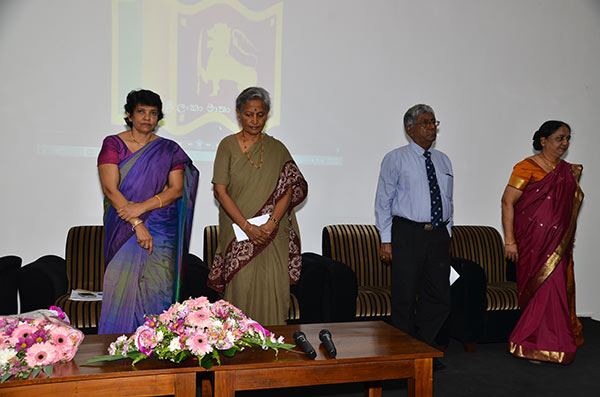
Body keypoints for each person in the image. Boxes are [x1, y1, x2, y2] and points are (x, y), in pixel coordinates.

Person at [97, 89, 199, 334]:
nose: (147, 118)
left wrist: (141, 208)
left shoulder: (169, 149)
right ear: (129, 115)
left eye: (153, 113)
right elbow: (111, 190)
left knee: (158, 288)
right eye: (141, 112)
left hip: (162, 229)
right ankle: (118, 354)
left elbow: (175, 190)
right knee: (119, 288)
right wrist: (137, 222)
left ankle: (156, 352)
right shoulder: (113, 144)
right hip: (124, 228)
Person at [207, 87, 308, 326]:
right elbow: (220, 191)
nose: (254, 120)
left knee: (272, 289)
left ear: (267, 115)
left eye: (260, 115)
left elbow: (290, 188)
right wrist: (246, 227)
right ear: (238, 114)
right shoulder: (227, 146)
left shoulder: (277, 148)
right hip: (238, 233)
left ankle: (271, 353)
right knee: (240, 290)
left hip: (272, 236)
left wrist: (271, 223)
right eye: (249, 114)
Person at [501, 120, 583, 364]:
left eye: (568, 138)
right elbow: (507, 202)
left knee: (554, 291)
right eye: (560, 138)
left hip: (557, 244)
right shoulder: (526, 167)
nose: (565, 143)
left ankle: (550, 343)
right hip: (532, 243)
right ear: (544, 140)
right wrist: (510, 242)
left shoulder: (568, 171)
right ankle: (531, 343)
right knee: (541, 292)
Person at [375, 104, 453, 356]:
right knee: (404, 297)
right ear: (410, 129)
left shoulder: (443, 160)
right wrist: (386, 240)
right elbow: (383, 201)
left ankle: (423, 351)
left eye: (434, 122)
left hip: (438, 235)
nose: (431, 127)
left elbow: (447, 199)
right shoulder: (395, 158)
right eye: (425, 122)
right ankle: (402, 354)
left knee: (440, 298)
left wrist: (448, 233)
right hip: (407, 234)